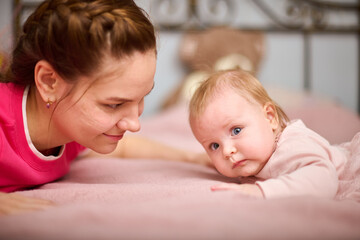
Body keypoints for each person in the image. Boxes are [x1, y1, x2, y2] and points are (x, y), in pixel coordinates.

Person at [0, 0, 209, 215]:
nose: (135, 124)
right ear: (49, 82)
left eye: (141, 98)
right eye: (114, 104)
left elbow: (125, 147)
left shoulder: (72, 128)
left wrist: (193, 158)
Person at [189, 69, 360, 200]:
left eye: (236, 130)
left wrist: (262, 191)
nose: (226, 152)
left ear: (270, 117)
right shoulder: (251, 159)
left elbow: (324, 179)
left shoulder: (292, 145)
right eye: (215, 146)